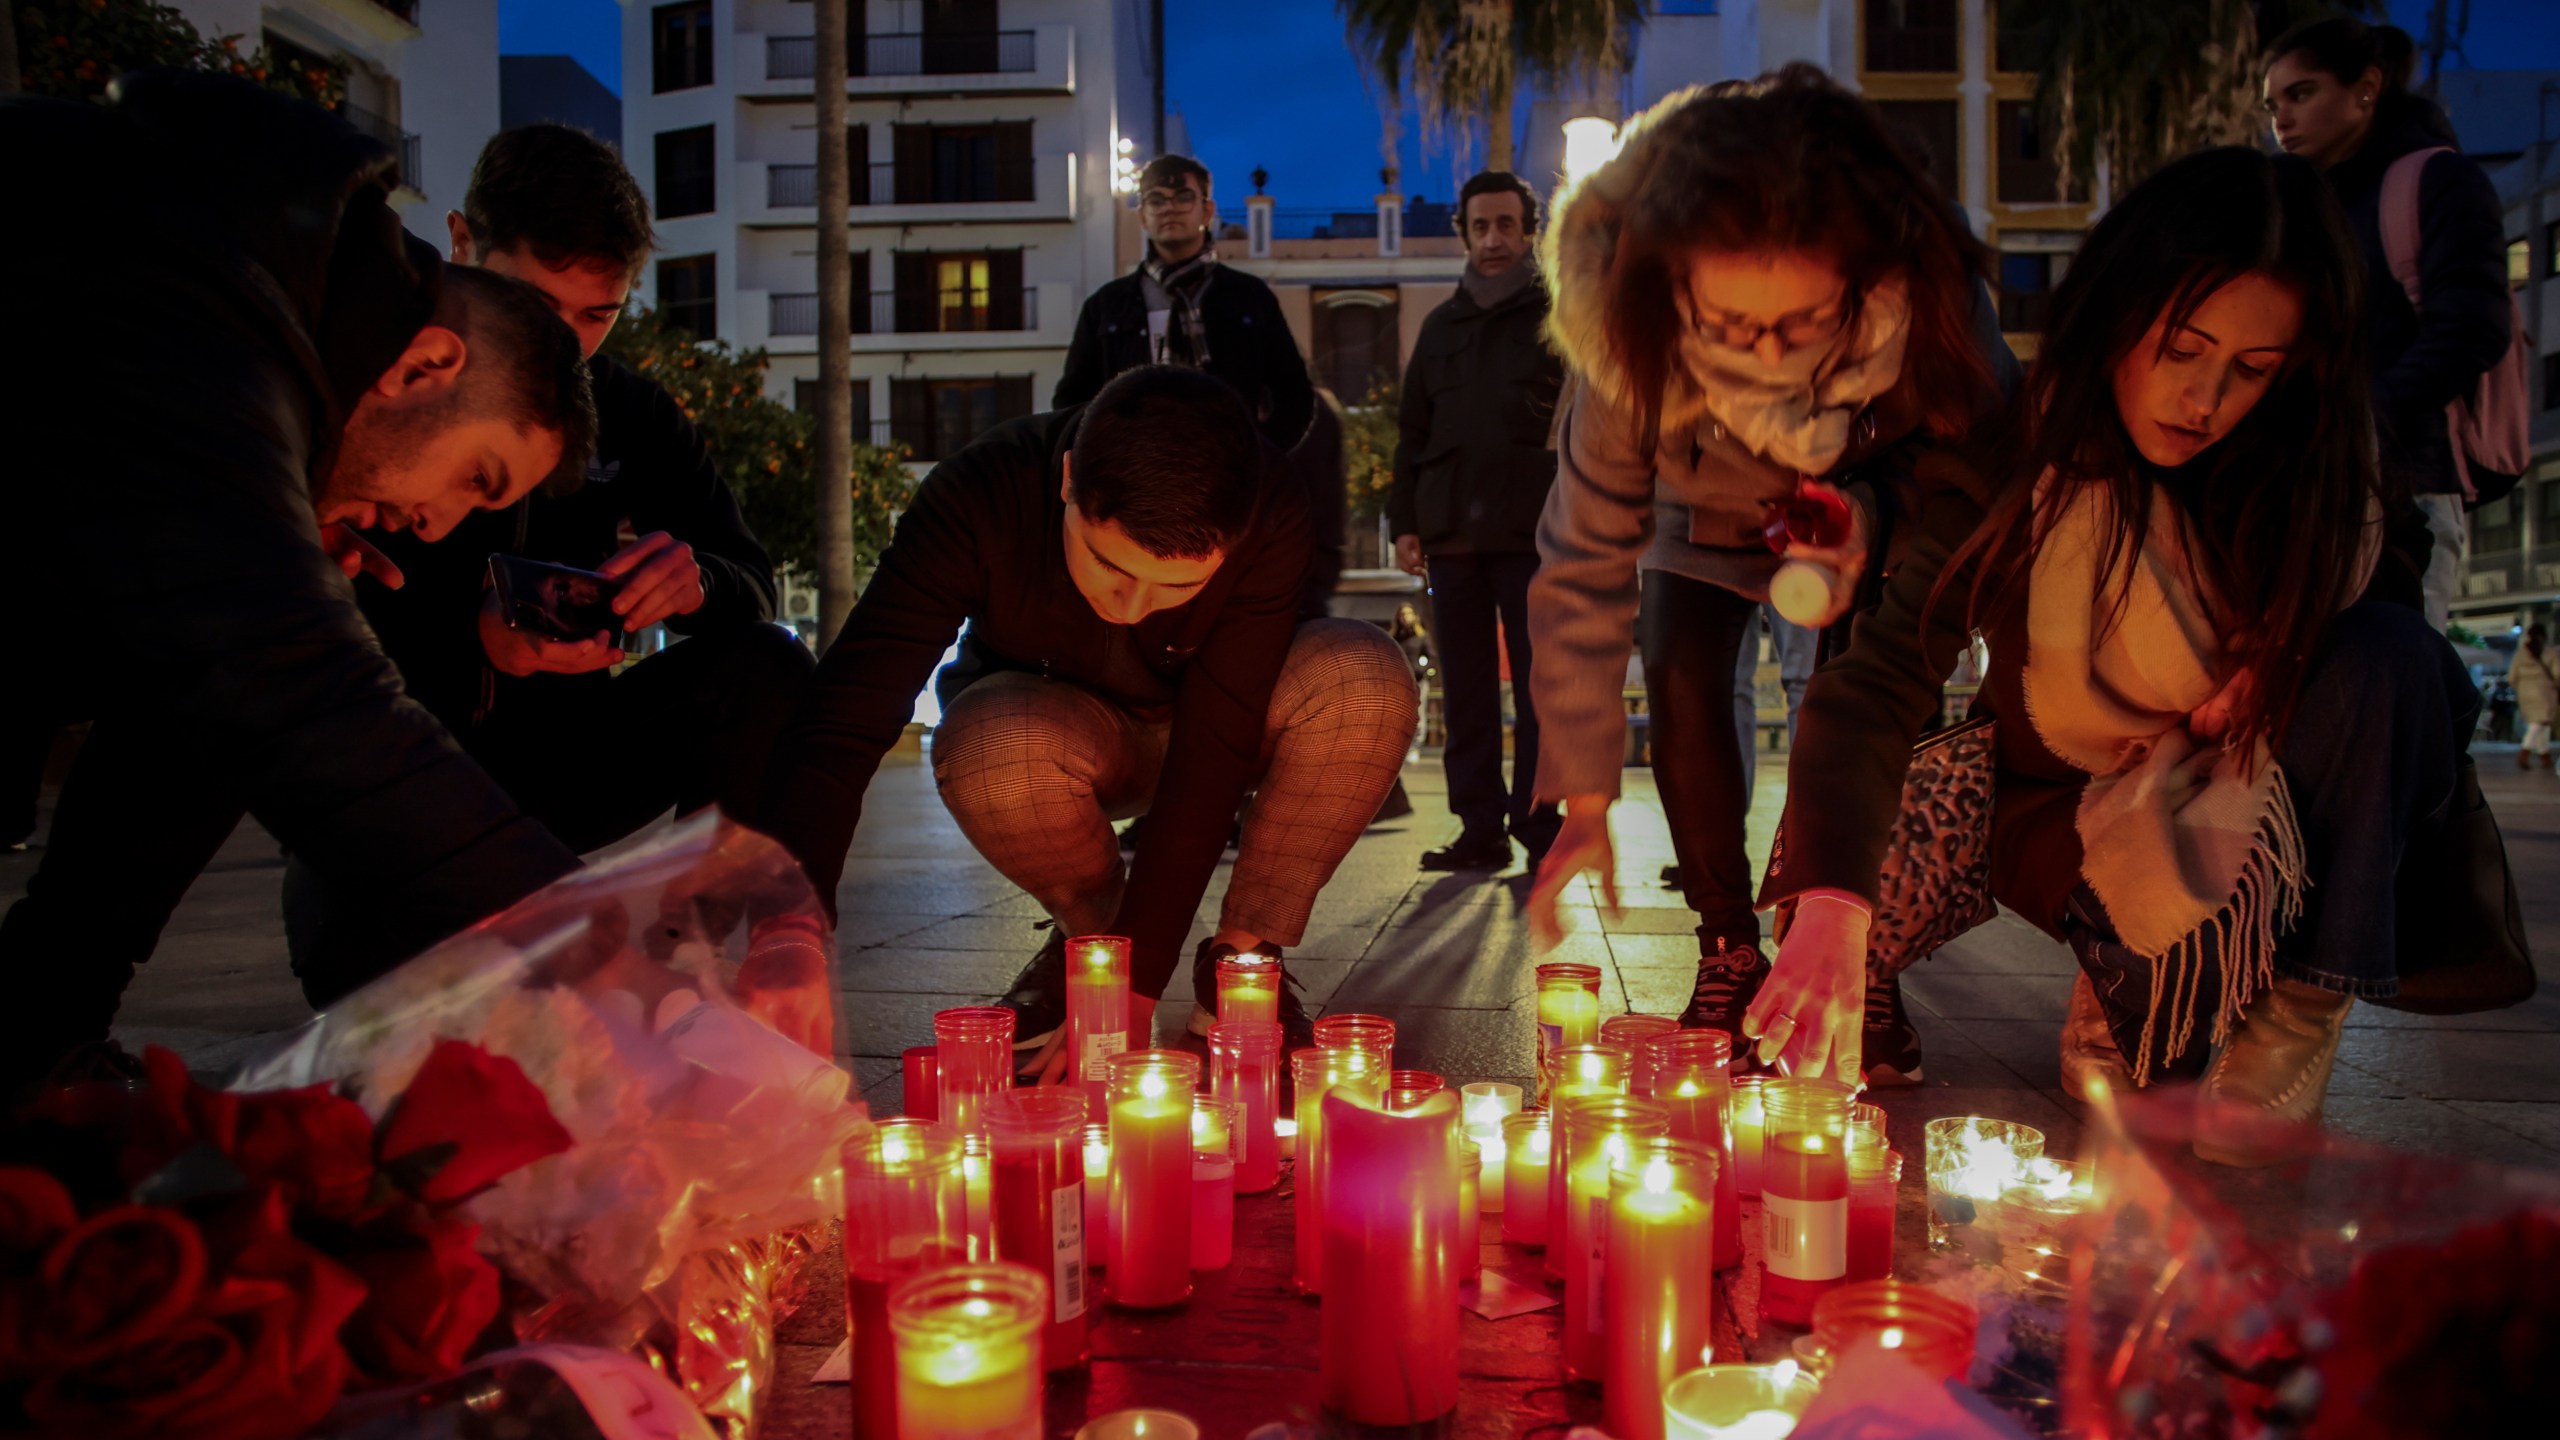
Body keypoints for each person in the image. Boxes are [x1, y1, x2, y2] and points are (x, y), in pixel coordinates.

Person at [1747, 146, 2474, 1167]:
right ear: (2116, 316)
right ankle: (2124, 966)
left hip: (2253, 806)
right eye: (2181, 346)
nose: (2205, 398)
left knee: (2393, 653)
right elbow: (1872, 686)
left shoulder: (2319, 474)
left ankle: (2298, 1003)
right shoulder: (2012, 458)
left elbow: (2385, 598)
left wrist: (2283, 649)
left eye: (2252, 370)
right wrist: (1830, 909)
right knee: (1849, 863)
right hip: (2060, 807)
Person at [0, 71, 598, 1086]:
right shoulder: (193, 292)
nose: (433, 522)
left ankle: (31, 1029)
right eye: (474, 478)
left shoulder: (244, 273)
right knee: (252, 655)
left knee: (209, 676)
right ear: (425, 367)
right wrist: (596, 947)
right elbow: (294, 683)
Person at [1525, 68, 2014, 1082]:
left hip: (1862, 509)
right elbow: (1580, 555)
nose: (1766, 359)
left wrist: (1869, 520)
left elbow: (1968, 483)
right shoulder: (1625, 325)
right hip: (1690, 516)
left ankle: (1855, 949)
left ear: (1865, 279)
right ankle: (1726, 945)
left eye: (1799, 326)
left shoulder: (1932, 309)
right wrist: (1579, 794)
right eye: (1730, 326)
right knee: (1683, 684)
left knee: (1854, 701)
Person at [758, 367, 1416, 1066]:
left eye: (1179, 586)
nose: (1132, 607)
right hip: (1063, 728)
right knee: (993, 747)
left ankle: (1244, 964)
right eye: (1109, 565)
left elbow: (1215, 745)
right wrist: (786, 924)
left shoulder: (1269, 500)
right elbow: (847, 713)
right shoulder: (980, 494)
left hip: (1226, 719)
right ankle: (1091, 946)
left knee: (1363, 677)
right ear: (1070, 481)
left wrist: (1135, 994)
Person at [279, 126, 811, 977]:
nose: (561, 344)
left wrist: (693, 583)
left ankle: (686, 945)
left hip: (568, 761)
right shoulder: (376, 389)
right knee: (356, 969)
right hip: (404, 764)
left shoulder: (631, 414)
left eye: (596, 315)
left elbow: (750, 581)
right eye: (531, 302)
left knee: (766, 664)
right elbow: (285, 621)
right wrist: (470, 639)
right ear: (461, 242)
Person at [2263, 19, 2511, 632]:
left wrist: (2366, 420)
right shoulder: (2305, 209)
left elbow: (2473, 326)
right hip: (2309, 484)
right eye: (2272, 105)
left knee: (2397, 688)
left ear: (2366, 88)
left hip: (2407, 482)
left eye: (2302, 94)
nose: (2282, 120)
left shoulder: (2435, 181)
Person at [1388, 170, 1569, 872]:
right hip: (1452, 537)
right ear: (1463, 233)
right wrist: (1406, 522)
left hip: (1536, 535)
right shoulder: (1439, 327)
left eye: (1506, 225)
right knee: (1466, 691)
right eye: (1480, 226)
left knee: (1539, 687)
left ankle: (1539, 823)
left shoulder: (1561, 316)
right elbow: (1412, 432)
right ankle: (1478, 829)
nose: (1494, 239)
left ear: (1528, 231)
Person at [1055, 154, 1315, 453]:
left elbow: (1294, 394)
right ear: (1142, 216)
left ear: (1207, 211)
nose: (1169, 209)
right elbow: (1072, 401)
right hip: (1135, 473)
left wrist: (1261, 459)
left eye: (1183, 197)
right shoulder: (1106, 306)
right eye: (1156, 200)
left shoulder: (1248, 296)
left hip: (1227, 470)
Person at [2510, 626, 2558, 770]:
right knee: (2538, 723)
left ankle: (2545, 756)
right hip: (2544, 692)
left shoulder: (2520, 653)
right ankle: (2525, 751)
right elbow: (2558, 673)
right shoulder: (2549, 652)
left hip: (2525, 692)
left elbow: (2512, 676)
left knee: (2541, 724)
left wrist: (2521, 687)